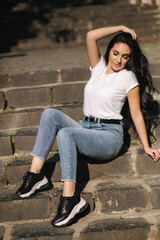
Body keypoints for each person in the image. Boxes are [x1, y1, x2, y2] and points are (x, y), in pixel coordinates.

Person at [15, 25, 160, 227]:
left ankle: (71, 199)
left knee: (66, 134)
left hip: (109, 136)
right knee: (49, 114)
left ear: (129, 59)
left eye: (125, 57)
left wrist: (146, 145)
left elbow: (136, 114)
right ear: (109, 50)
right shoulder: (98, 68)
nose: (118, 60)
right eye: (115, 53)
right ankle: (36, 175)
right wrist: (120, 27)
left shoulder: (127, 77)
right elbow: (91, 36)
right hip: (86, 127)